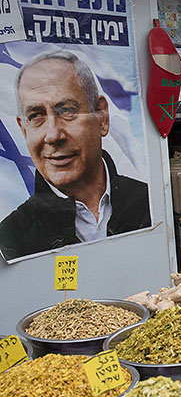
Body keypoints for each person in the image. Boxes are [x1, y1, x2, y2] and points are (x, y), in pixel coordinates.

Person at [0, 51, 151, 261]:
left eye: (67, 111)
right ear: (24, 130)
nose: (53, 135)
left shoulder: (150, 202)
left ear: (102, 117)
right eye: (36, 116)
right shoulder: (11, 237)